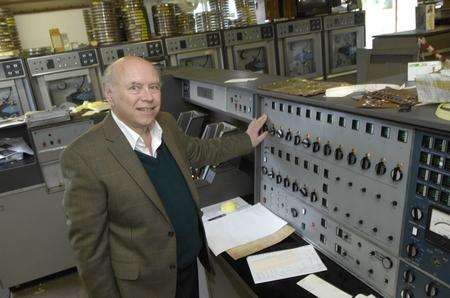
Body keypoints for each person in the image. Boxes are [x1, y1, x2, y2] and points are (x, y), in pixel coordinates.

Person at [61, 56, 268, 298]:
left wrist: (247, 139)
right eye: (134, 87)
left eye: (154, 87)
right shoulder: (83, 156)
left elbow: (199, 151)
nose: (147, 97)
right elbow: (90, 252)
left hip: (188, 267)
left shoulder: (166, 124)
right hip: (144, 286)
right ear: (110, 95)